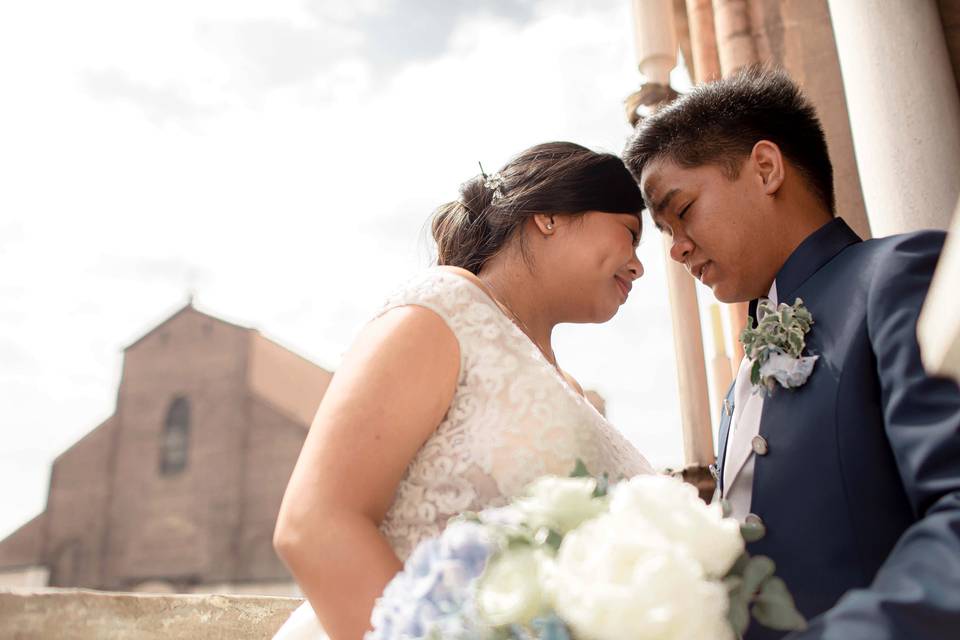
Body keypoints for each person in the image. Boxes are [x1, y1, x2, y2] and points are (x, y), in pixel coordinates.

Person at [623, 66, 960, 639]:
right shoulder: (740, 383)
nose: (676, 250)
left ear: (765, 168)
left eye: (680, 212)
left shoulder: (896, 276)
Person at [271, 141, 654, 639]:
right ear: (550, 216)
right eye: (629, 232)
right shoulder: (444, 309)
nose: (638, 266)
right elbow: (315, 524)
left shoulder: (570, 388)